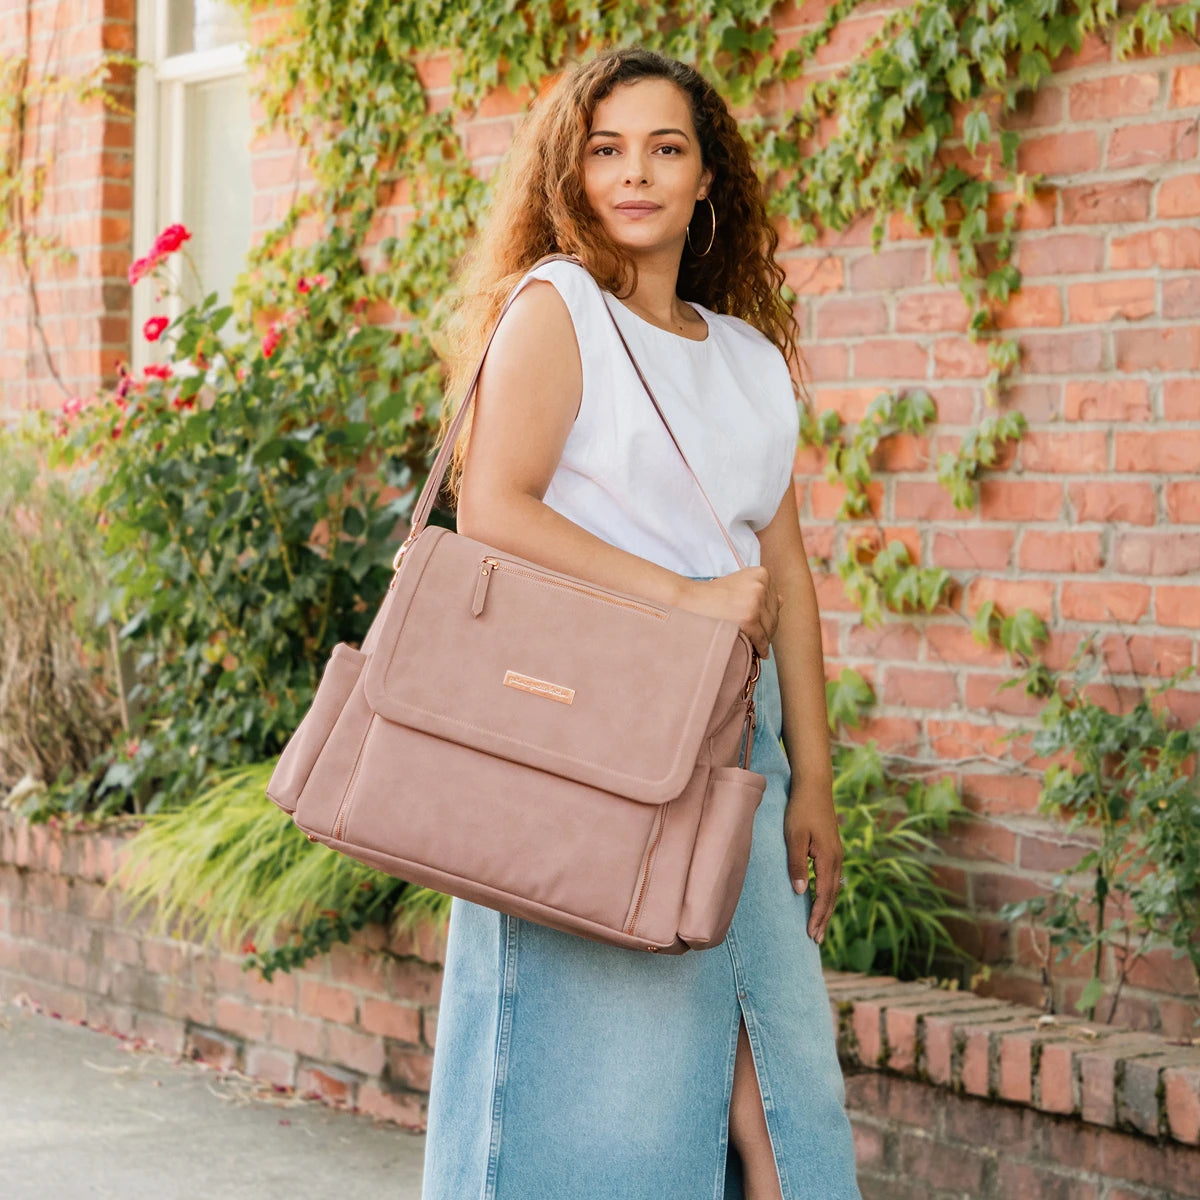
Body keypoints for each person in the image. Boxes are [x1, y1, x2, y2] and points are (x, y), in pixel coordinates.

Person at [420, 44, 861, 1200]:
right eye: (607, 148)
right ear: (572, 170)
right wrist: (679, 598)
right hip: (582, 737)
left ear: (708, 177)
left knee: (777, 1089)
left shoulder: (755, 363)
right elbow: (493, 508)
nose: (636, 174)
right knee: (594, 1090)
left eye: (667, 148)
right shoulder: (557, 307)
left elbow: (791, 581)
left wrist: (814, 776)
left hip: (736, 748)